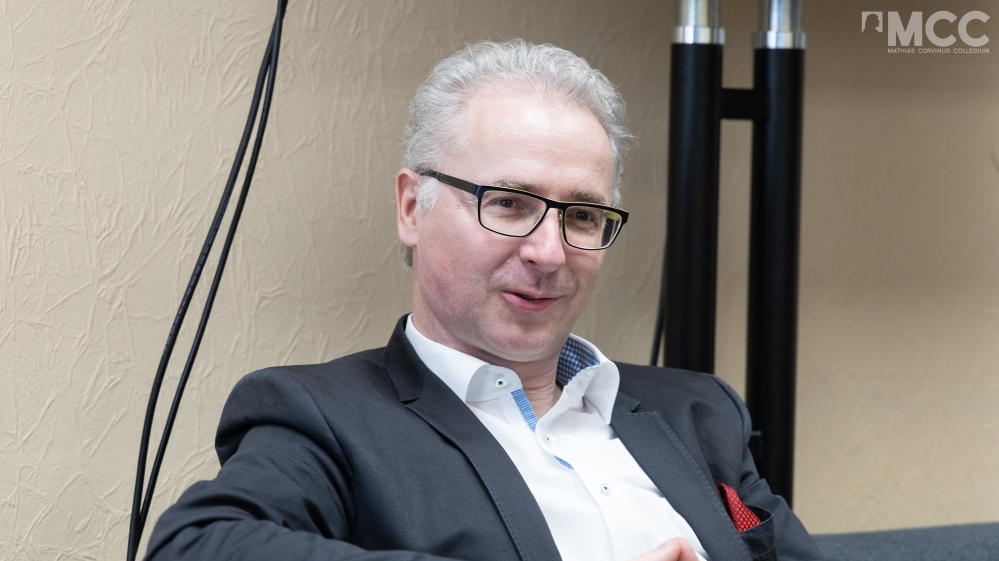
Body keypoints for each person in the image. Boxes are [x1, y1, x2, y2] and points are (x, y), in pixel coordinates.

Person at [145, 40, 822, 561]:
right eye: (508, 203)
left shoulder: (699, 411)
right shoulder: (324, 416)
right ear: (412, 207)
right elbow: (197, 546)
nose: (549, 252)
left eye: (582, 216)